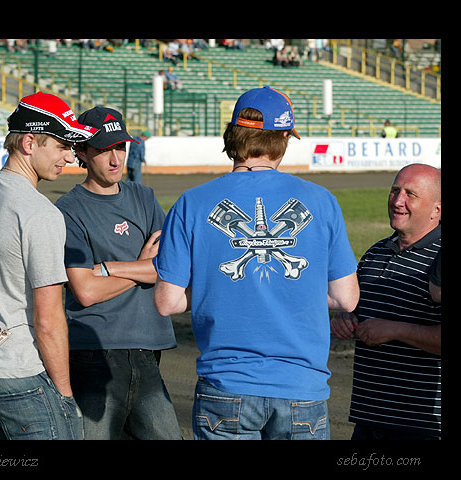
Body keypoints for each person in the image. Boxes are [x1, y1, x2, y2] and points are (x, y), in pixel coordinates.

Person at [153, 86, 360, 440]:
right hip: (301, 388)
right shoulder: (322, 201)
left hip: (225, 386)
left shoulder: (191, 203)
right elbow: (346, 299)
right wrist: (294, 289)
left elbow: (167, 302)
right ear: (282, 138)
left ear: (232, 135)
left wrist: (219, 290)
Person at [0, 92, 97, 440]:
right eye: (61, 145)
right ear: (29, 142)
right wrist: (64, 393)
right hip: (15, 366)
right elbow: (48, 319)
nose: (69, 157)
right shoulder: (40, 212)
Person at [55, 106, 182, 440]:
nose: (115, 160)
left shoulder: (144, 197)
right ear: (80, 151)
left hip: (147, 349)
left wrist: (109, 268)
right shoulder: (68, 210)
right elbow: (86, 292)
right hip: (94, 352)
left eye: (120, 148)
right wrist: (142, 266)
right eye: (103, 150)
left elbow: (168, 269)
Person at [330, 163, 441, 440]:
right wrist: (345, 318)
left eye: (410, 194)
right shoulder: (376, 252)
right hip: (369, 420)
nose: (397, 201)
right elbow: (357, 308)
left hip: (423, 426)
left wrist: (394, 330)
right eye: (394, 191)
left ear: (437, 209)